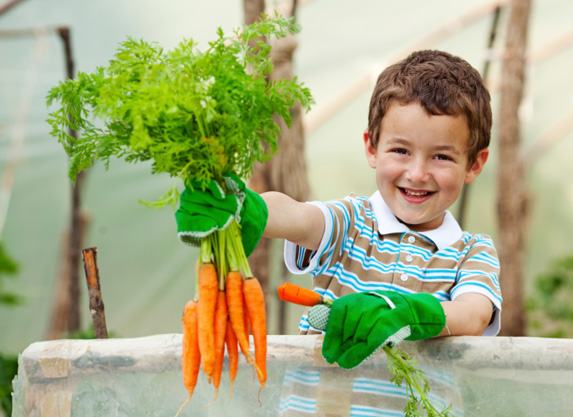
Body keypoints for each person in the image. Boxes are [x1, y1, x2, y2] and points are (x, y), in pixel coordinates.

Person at [176, 49, 502, 371]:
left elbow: (474, 314)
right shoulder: (352, 220)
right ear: (372, 148)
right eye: (401, 150)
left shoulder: (472, 252)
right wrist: (250, 208)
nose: (417, 173)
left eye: (441, 157)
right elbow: (300, 217)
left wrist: (410, 312)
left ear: (474, 164)